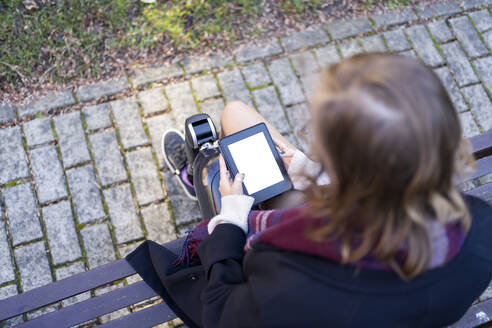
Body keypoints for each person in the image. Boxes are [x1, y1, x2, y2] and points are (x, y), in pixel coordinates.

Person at [126, 53, 492, 328]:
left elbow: (221, 310)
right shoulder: (479, 228)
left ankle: (201, 174)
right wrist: (320, 176)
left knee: (216, 168)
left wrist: (232, 222)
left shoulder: (291, 281)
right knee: (236, 116)